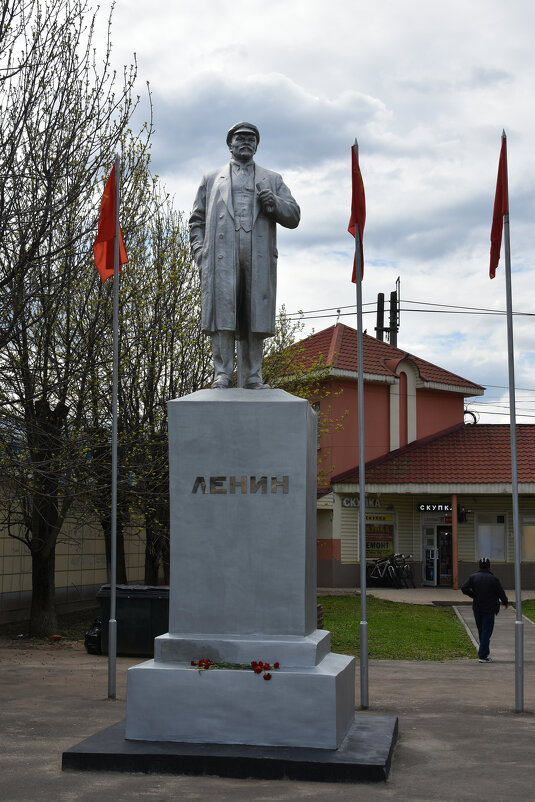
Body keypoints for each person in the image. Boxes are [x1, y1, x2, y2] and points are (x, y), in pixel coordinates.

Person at [189, 122, 300, 389]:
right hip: (221, 255)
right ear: (230, 144)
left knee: (254, 315)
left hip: (257, 253)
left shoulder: (272, 179)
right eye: (240, 138)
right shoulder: (211, 178)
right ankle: (223, 374)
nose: (245, 142)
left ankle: (252, 376)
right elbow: (196, 221)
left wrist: (274, 203)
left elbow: (294, 215)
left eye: (251, 138)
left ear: (257, 145)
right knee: (223, 316)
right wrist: (201, 253)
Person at [461, 557, 509, 663]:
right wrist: (505, 602)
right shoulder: (494, 579)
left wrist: (473, 595)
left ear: (479, 566)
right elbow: (500, 592)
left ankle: (484, 653)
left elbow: (464, 588)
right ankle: (483, 656)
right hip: (489, 609)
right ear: (489, 566)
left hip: (477, 608)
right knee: (486, 632)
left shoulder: (473, 577)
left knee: (481, 630)